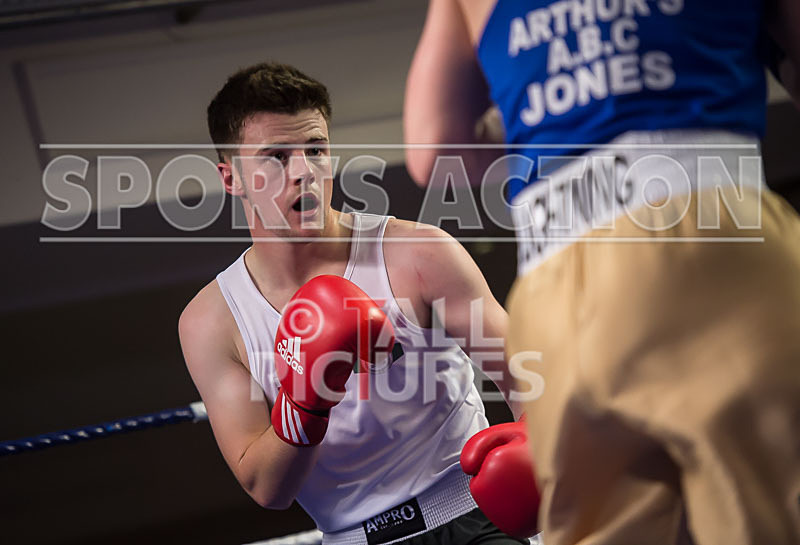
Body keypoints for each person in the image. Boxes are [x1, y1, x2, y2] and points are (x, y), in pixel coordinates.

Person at [405, 0, 800, 544]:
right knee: (764, 511)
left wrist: (541, 136)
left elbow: (433, 148)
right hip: (715, 229)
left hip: (555, 281)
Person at [178, 61, 529, 545]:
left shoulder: (418, 254)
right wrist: (307, 397)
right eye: (276, 156)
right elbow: (265, 486)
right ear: (231, 177)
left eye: (316, 149)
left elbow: (525, 371)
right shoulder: (211, 321)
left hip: (469, 517)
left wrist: (538, 441)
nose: (304, 171)